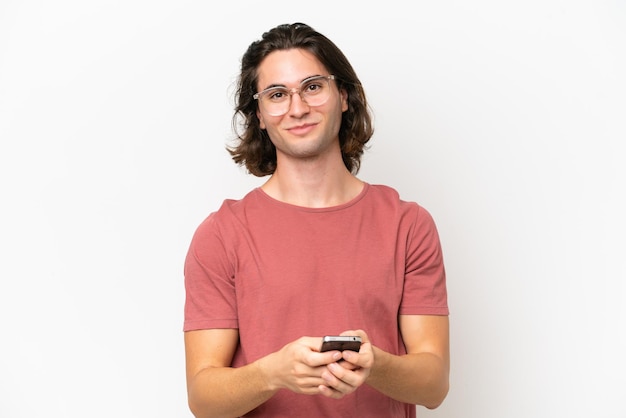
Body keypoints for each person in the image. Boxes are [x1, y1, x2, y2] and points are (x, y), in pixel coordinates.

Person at [183, 22, 449, 418]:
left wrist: (375, 363)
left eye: (312, 86)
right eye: (277, 94)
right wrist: (273, 373)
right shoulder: (221, 234)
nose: (297, 108)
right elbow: (203, 400)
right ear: (259, 114)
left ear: (343, 95)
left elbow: (434, 385)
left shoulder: (407, 225)